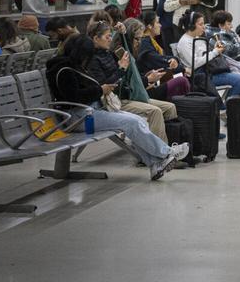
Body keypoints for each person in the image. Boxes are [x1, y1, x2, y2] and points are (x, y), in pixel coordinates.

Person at [48, 35, 189, 179]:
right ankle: (166, 153)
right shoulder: (64, 71)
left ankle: (155, 165)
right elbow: (73, 97)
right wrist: (100, 90)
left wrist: (100, 89)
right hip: (78, 117)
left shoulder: (71, 67)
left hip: (88, 111)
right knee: (131, 122)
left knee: (137, 120)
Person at [84, 20, 178, 143]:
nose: (110, 39)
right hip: (115, 101)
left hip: (128, 95)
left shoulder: (108, 53)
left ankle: (171, 144)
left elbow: (130, 70)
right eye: (107, 36)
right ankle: (162, 154)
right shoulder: (93, 60)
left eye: (111, 36)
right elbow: (107, 87)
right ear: (96, 38)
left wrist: (122, 32)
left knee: (170, 107)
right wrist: (123, 69)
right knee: (155, 111)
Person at [175, 10, 240, 97]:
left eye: (203, 24)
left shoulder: (197, 37)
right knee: (239, 80)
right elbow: (195, 63)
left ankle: (228, 105)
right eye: (200, 24)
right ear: (191, 25)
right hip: (200, 76)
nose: (204, 27)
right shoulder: (185, 42)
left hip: (209, 71)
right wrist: (215, 52)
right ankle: (224, 107)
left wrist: (214, 48)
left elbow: (205, 54)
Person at [123, 18, 191, 101]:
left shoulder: (150, 41)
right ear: (149, 26)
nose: (160, 25)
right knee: (182, 80)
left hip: (149, 83)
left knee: (189, 76)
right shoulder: (144, 43)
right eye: (157, 22)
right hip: (143, 91)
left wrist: (148, 77)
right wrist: (147, 79)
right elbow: (157, 61)